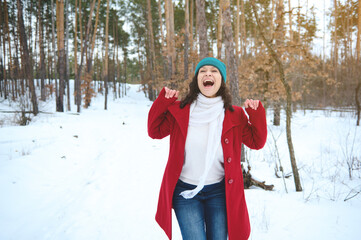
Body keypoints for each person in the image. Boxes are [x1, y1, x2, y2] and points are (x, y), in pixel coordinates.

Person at [147, 57, 267, 240]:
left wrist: (256, 115)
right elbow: (154, 130)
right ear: (197, 80)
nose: (208, 73)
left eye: (214, 71)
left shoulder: (235, 115)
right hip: (185, 192)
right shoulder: (179, 111)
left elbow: (256, 142)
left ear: (221, 80)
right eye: (202, 71)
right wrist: (163, 102)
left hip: (219, 192)